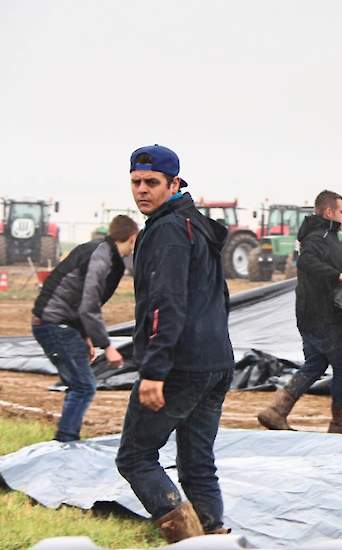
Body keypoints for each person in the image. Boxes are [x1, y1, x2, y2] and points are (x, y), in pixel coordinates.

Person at [115, 145, 235, 542]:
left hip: (181, 365)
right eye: (136, 182)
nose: (142, 190)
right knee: (198, 461)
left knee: (135, 456)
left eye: (152, 182)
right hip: (216, 361)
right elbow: (219, 297)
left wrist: (153, 370)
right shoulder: (196, 224)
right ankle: (214, 536)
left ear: (175, 183)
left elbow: (165, 304)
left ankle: (187, 539)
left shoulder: (167, 231)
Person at [257, 190, 342, 436]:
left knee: (316, 363)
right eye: (341, 211)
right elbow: (306, 262)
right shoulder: (318, 238)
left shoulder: (323, 236)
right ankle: (341, 423)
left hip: (311, 314)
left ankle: (276, 411)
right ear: (329, 212)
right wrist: (337, 276)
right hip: (324, 316)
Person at [31, 215, 139, 442]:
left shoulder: (101, 252)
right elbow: (88, 306)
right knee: (83, 386)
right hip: (54, 324)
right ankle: (65, 441)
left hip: (59, 322)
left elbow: (79, 299)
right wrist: (107, 346)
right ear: (132, 238)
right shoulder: (101, 257)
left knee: (79, 385)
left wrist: (86, 337)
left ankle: (67, 438)